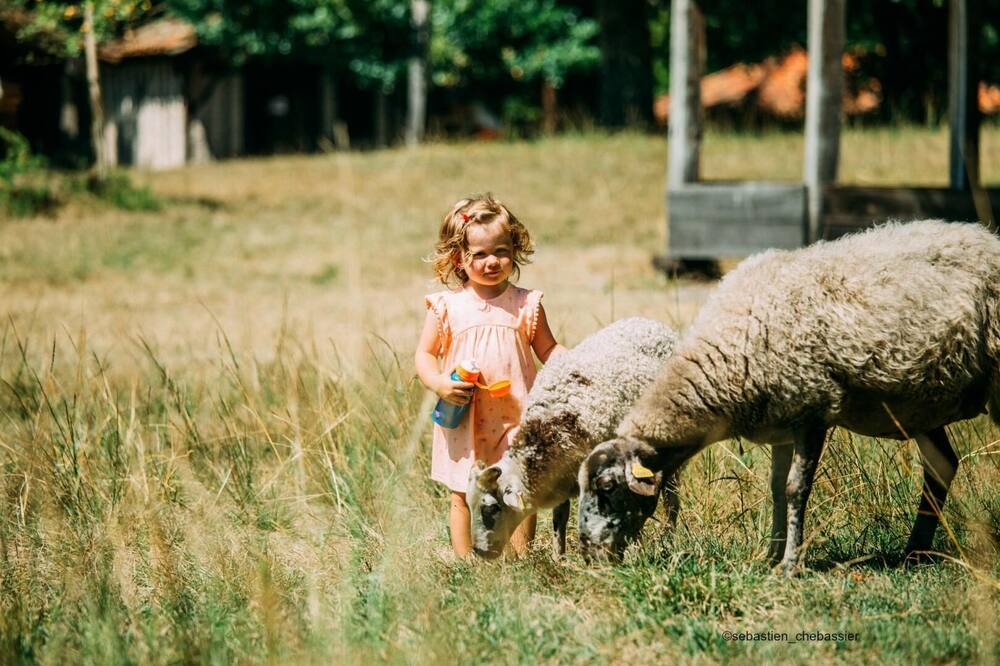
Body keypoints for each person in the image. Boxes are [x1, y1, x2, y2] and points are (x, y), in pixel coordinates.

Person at [415, 194, 566, 558]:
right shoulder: (446, 307)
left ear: (514, 250)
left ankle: (519, 556)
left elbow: (548, 349)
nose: (491, 261)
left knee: (519, 488)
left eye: (500, 250)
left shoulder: (526, 304)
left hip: (517, 415)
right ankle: (467, 562)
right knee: (463, 493)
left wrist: (573, 363)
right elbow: (425, 354)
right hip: (465, 416)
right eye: (478, 254)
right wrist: (438, 383)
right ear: (458, 259)